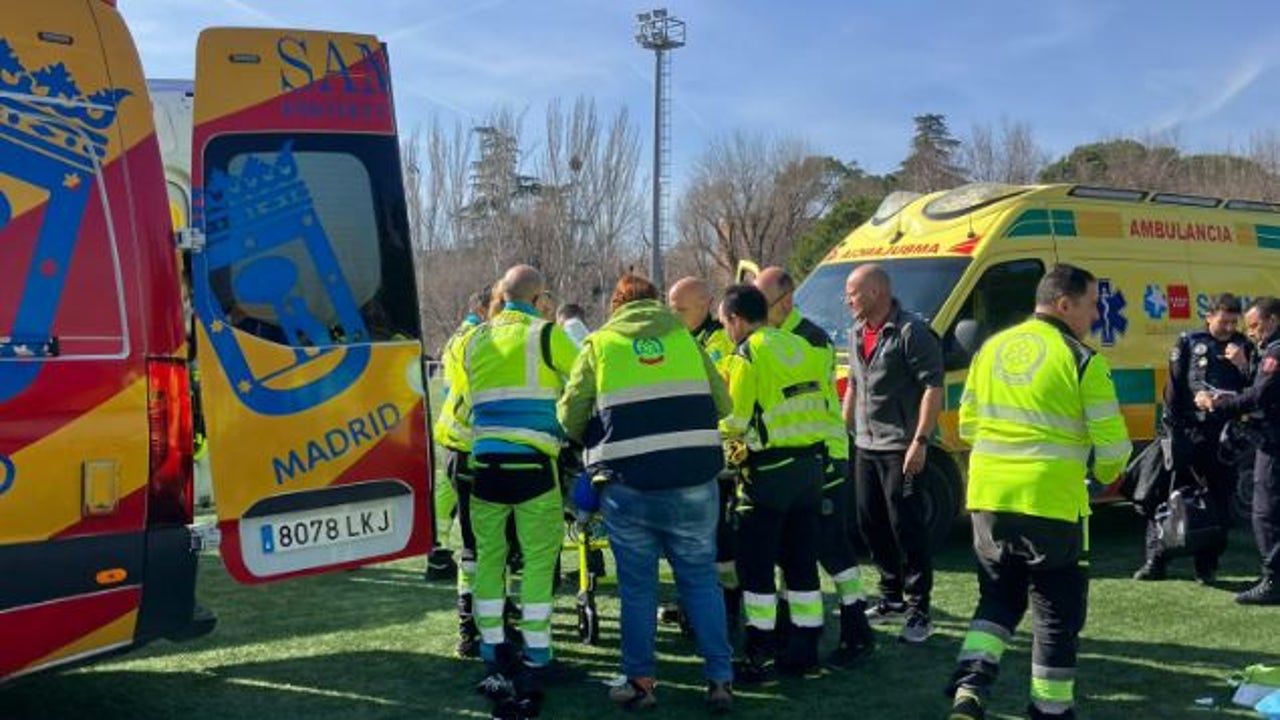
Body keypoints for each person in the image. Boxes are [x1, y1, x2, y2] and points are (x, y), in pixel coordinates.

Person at [946, 264, 1131, 720]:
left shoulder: (990, 349)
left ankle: (970, 687)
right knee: (1055, 614)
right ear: (1064, 303)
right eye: (1091, 305)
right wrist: (1103, 473)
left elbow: (967, 425)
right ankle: (1050, 710)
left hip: (988, 497)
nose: (1095, 315)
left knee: (998, 598)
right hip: (1051, 503)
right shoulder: (1082, 358)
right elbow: (1114, 448)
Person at [558, 273, 735, 714]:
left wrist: (594, 437)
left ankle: (641, 682)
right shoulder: (686, 341)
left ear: (616, 306)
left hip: (628, 486)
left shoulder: (599, 345)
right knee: (701, 583)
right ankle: (719, 680)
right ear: (656, 303)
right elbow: (724, 404)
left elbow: (569, 415)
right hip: (695, 481)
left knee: (638, 590)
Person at [460, 265, 579, 719]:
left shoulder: (474, 339)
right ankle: (538, 655)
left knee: (489, 558)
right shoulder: (546, 334)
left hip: (485, 464)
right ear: (540, 297)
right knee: (537, 560)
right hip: (533, 464)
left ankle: (492, 650)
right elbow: (581, 383)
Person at [755, 267, 873, 666]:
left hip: (825, 455)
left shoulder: (810, 340)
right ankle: (799, 632)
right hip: (807, 454)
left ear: (785, 299)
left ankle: (857, 625)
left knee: (830, 547)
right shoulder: (779, 337)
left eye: (763, 302)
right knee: (798, 552)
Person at [718, 284, 829, 681]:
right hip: (810, 469)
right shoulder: (801, 345)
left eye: (725, 323)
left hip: (768, 475)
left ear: (736, 319)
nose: (726, 331)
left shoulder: (747, 354)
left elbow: (736, 420)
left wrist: (718, 439)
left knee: (757, 567)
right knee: (801, 565)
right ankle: (805, 649)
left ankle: (759, 653)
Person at [842, 263, 944, 643]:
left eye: (852, 292)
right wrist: (845, 428)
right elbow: (854, 382)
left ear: (874, 293)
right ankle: (891, 598)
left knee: (908, 527)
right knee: (871, 522)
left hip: (902, 447)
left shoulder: (911, 332)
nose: (847, 299)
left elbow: (933, 388)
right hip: (865, 445)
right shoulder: (855, 332)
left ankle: (920, 611)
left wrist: (920, 440)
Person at [1135, 293, 1252, 583]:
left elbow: (1257, 390)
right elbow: (1173, 387)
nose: (1228, 328)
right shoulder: (1189, 342)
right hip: (1187, 431)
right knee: (1167, 498)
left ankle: (1207, 566)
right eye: (1223, 321)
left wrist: (1243, 366)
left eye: (1233, 322)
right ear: (1209, 316)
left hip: (1223, 436)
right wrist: (1170, 430)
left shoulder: (1244, 347)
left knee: (1219, 503)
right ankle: (1155, 561)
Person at [666, 276, 740, 631]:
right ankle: (692, 602)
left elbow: (722, 395)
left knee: (718, 536)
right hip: (687, 452)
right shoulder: (682, 339)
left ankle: (726, 606)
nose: (673, 314)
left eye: (680, 309)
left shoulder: (720, 341)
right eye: (671, 307)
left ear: (704, 305)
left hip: (719, 454)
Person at [1196, 296, 1280, 605]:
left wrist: (1216, 404)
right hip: (1269, 438)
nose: (1250, 332)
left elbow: (1258, 397)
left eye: (1255, 325)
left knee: (1266, 513)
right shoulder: (1266, 350)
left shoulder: (1276, 351)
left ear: (1273, 320)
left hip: (1274, 442)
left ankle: (1273, 581)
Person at [429, 285, 490, 656]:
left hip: (459, 445)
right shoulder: (475, 339)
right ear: (485, 307)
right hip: (473, 447)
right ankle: (473, 623)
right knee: (480, 541)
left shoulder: (463, 337)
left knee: (474, 539)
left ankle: (474, 619)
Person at [669, 276, 736, 366]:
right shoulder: (678, 338)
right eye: (672, 310)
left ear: (704, 305)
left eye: (681, 310)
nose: (674, 316)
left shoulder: (719, 339)